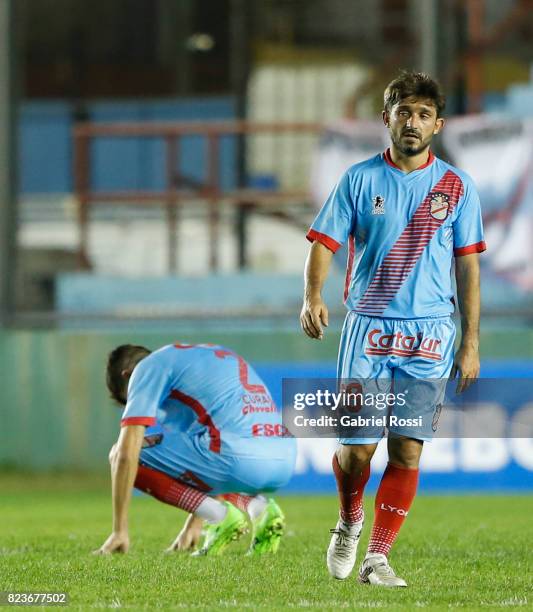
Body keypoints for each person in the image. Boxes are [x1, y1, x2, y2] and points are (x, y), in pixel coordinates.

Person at [300, 71, 485, 587]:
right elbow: (323, 243)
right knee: (356, 451)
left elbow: (468, 266)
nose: (413, 121)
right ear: (387, 118)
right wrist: (313, 295)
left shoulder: (457, 187)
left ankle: (377, 558)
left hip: (429, 334)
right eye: (404, 111)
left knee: (407, 448)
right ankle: (349, 519)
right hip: (368, 328)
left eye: (424, 113)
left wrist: (469, 342)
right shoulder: (359, 179)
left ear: (438, 124)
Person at [94, 342, 296, 556]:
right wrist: (194, 522)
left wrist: (119, 530)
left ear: (129, 376)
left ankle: (218, 516)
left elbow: (126, 455)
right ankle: (260, 508)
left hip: (236, 457)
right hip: (285, 457)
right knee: (216, 453)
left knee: (123, 453)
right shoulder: (196, 359)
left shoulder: (147, 369)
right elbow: (203, 465)